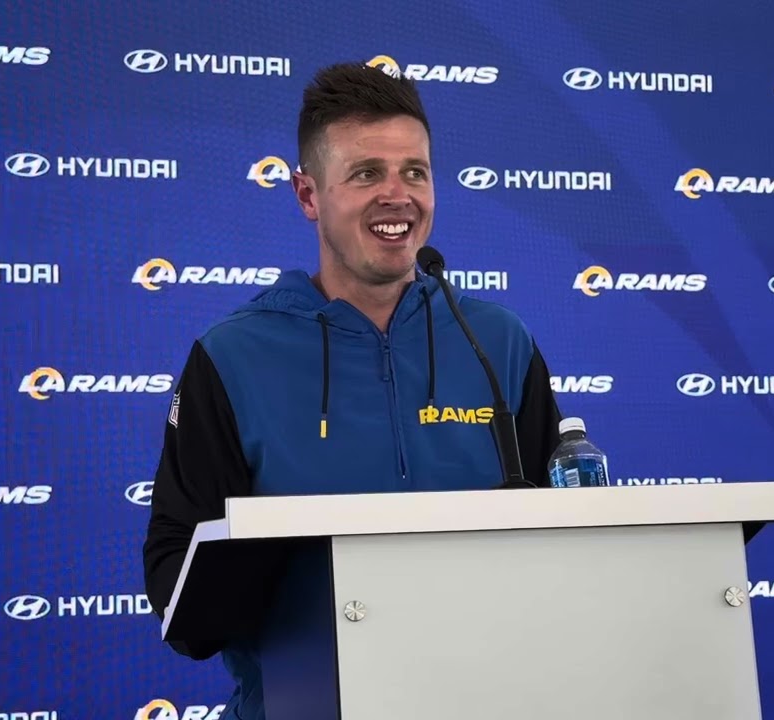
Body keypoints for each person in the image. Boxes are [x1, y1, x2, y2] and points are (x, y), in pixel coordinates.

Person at [142, 61, 564, 720]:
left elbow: (572, 542)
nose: (398, 195)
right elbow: (177, 585)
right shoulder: (231, 357)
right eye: (367, 173)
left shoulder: (498, 342)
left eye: (415, 172)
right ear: (308, 195)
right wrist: (282, 557)